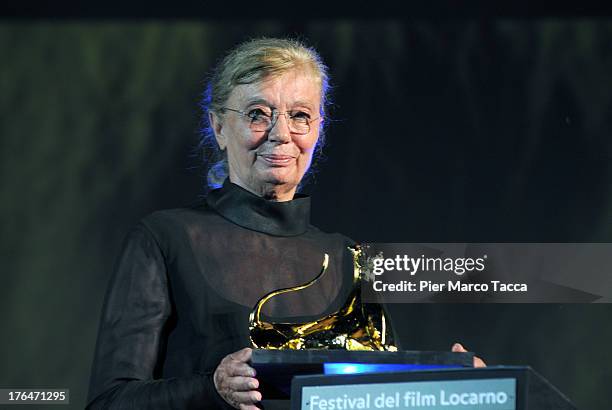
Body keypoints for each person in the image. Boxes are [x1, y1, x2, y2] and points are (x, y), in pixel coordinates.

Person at [86, 37, 483, 410]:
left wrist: (446, 390)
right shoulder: (164, 239)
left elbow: (377, 399)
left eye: (299, 116)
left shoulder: (348, 259)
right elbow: (109, 401)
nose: (280, 134)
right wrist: (210, 390)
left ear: (318, 129)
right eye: (258, 114)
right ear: (219, 126)